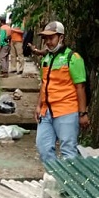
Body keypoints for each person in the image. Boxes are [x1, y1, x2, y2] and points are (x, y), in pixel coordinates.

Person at [34, 21, 89, 163]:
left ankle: (69, 177)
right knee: (44, 148)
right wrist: (39, 106)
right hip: (46, 112)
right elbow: (44, 84)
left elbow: (80, 87)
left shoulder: (73, 58)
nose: (48, 42)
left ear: (61, 37)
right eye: (45, 38)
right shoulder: (46, 59)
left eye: (51, 38)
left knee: (68, 151)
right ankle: (54, 175)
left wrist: (83, 113)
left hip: (66, 111)